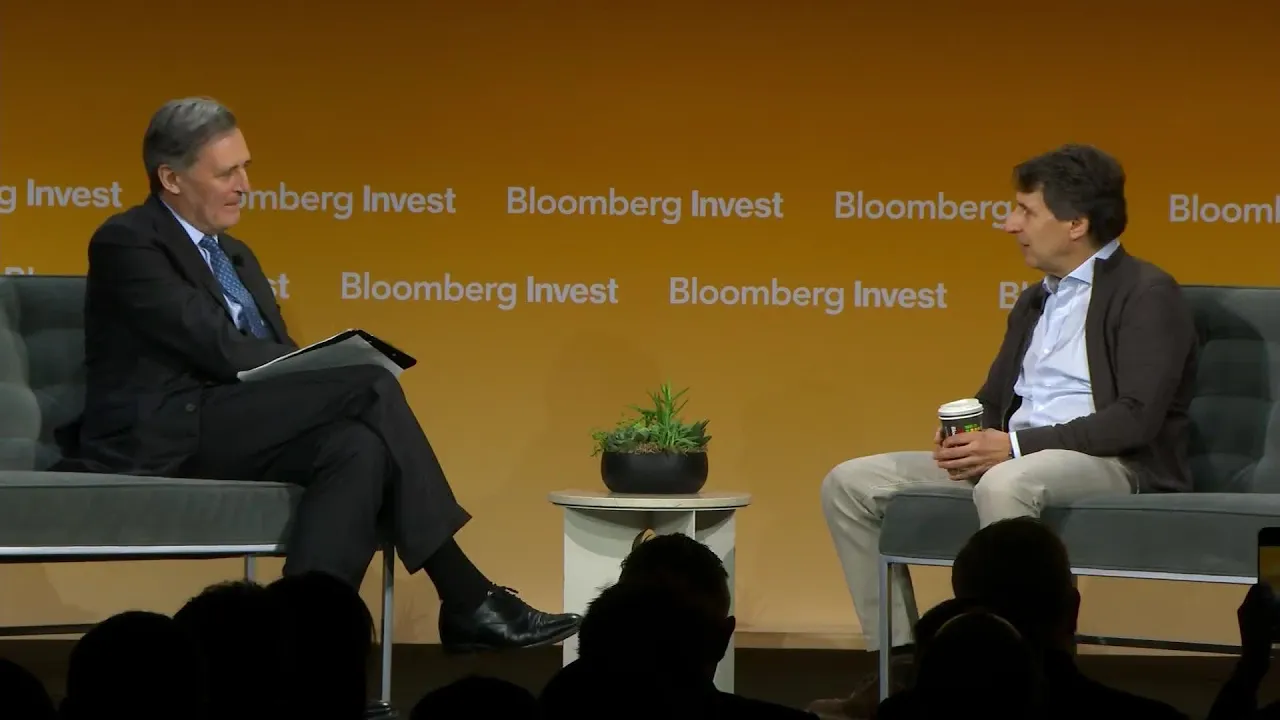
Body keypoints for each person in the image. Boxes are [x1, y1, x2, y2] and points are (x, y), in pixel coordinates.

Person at [73, 96, 581, 652]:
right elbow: (216, 347)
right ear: (170, 178)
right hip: (165, 431)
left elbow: (272, 352)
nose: (244, 185)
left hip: (229, 421)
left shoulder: (235, 254)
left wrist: (314, 373)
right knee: (370, 383)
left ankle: (300, 645)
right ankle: (466, 595)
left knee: (358, 449)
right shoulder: (129, 241)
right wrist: (322, 377)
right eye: (226, 173)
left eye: (246, 168)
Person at [811, 144, 1198, 718]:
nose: (1009, 224)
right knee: (849, 483)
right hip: (1018, 455)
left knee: (1005, 482)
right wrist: (966, 435)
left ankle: (1020, 674)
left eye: (1025, 211)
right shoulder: (1036, 299)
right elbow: (994, 400)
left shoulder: (1146, 292)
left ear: (1075, 223)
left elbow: (1135, 417)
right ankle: (900, 669)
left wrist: (1012, 447)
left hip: (1114, 462)